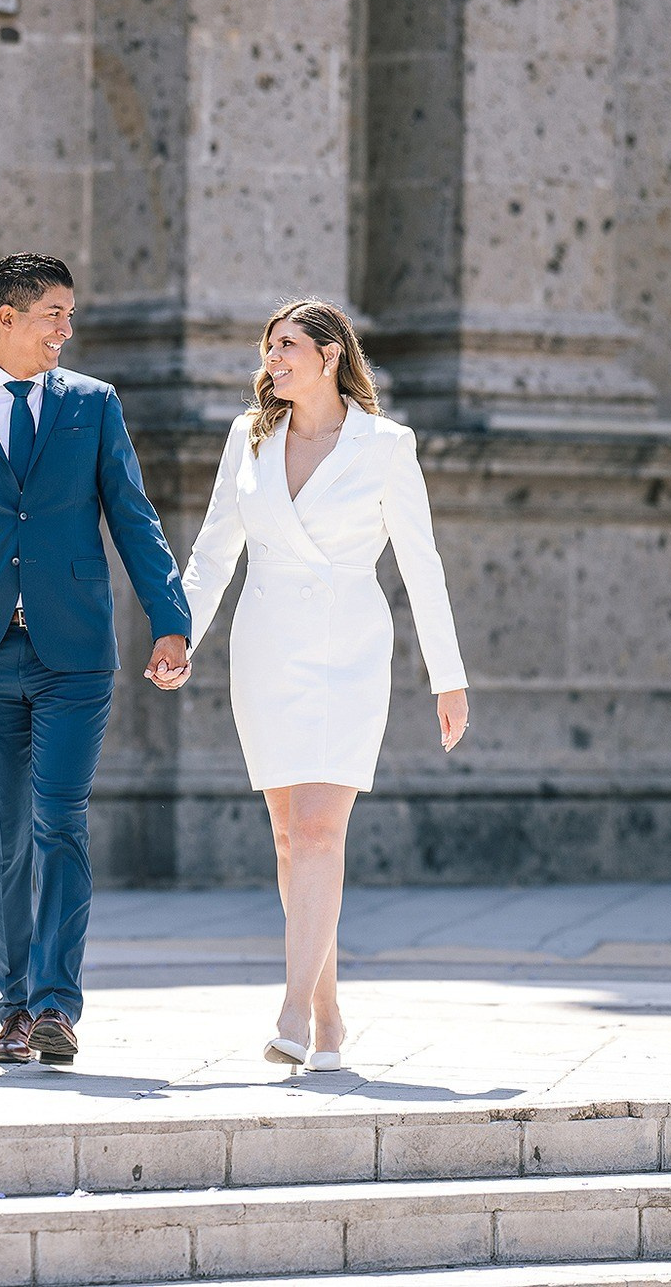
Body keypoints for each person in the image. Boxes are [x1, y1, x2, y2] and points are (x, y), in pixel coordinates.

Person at [0, 253, 192, 1066]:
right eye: (55, 313)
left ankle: (58, 1006)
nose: (69, 328)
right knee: (4, 836)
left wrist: (170, 619)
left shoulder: (93, 407)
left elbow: (133, 518)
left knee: (59, 821)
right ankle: (14, 1009)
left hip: (74, 654)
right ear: (8, 319)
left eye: (69, 314)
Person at [165, 298, 469, 1072]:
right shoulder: (249, 436)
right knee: (287, 837)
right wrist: (180, 633)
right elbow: (211, 551)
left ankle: (293, 1010)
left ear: (331, 355)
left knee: (319, 831)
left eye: (288, 346)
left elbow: (421, 562)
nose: (273, 359)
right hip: (265, 645)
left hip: (347, 648)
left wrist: (448, 677)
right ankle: (329, 1014)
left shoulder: (386, 444)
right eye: (269, 346)